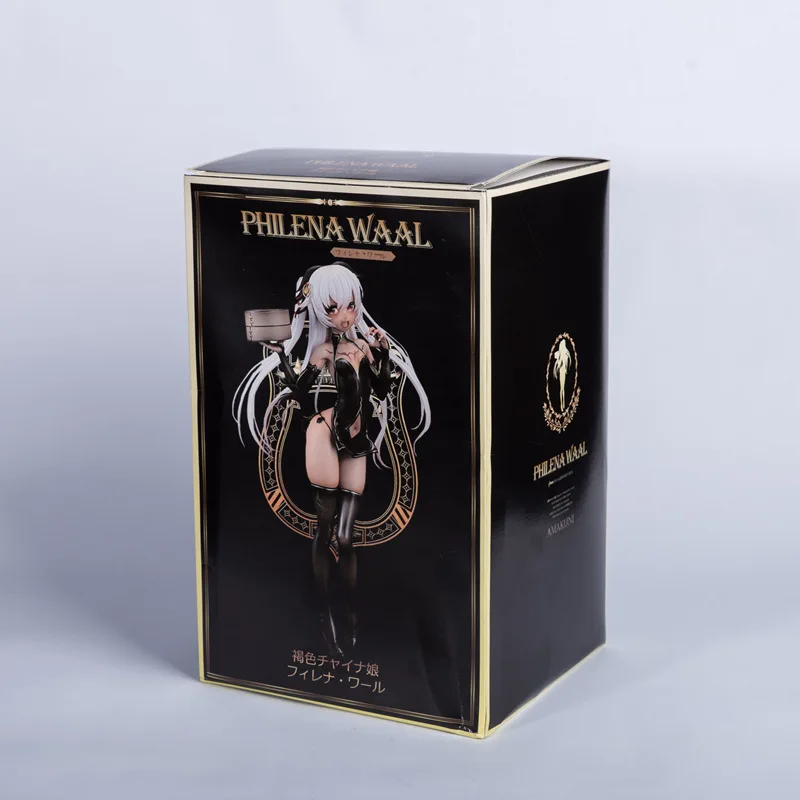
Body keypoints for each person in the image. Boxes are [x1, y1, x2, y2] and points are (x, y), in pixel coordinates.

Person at [233, 262, 431, 656]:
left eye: (350, 305)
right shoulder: (323, 350)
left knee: (345, 536)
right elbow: (299, 391)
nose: (345, 315)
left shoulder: (362, 348)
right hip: (323, 433)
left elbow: (383, 387)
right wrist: (282, 356)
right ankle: (324, 616)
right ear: (320, 311)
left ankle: (350, 614)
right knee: (324, 529)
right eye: (334, 308)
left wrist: (382, 354)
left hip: (356, 439)